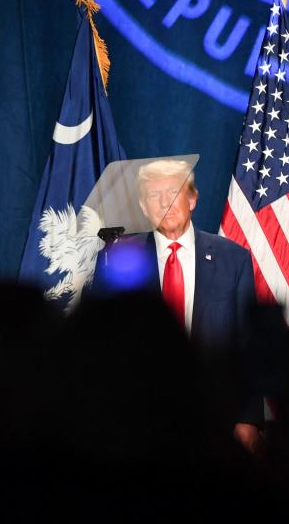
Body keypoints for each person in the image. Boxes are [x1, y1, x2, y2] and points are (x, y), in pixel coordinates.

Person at [94, 159, 262, 449]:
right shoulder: (119, 259)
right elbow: (99, 345)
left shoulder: (233, 259)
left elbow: (247, 343)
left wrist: (248, 419)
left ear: (192, 199)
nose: (165, 203)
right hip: (138, 423)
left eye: (173, 192)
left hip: (215, 418)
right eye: (154, 196)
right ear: (144, 207)